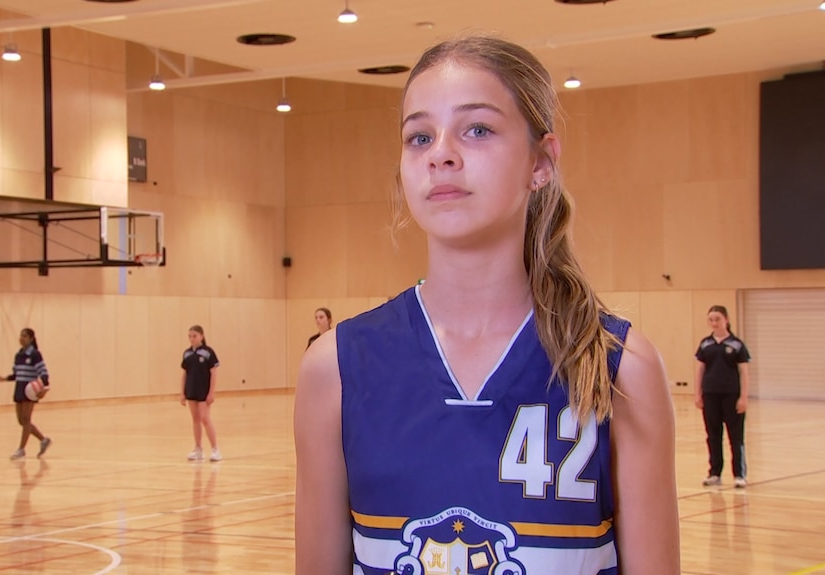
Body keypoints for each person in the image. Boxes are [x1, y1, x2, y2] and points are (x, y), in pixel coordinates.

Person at [294, 34, 680, 574]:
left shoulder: (621, 366)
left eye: (477, 129)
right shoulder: (335, 368)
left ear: (541, 162)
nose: (441, 154)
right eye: (419, 136)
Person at [694, 305, 751, 488]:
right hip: (710, 395)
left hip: (732, 396)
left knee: (736, 436)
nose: (714, 323)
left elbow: (744, 372)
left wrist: (743, 397)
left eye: (717, 319)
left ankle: (739, 474)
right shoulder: (705, 344)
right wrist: (698, 393)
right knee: (713, 435)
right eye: (711, 319)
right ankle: (715, 473)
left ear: (726, 319)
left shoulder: (737, 345)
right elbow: (700, 370)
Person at [0, 328, 52, 461]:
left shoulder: (35, 354)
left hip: (30, 391)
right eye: (21, 335)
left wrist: (44, 387)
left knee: (26, 420)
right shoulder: (18, 355)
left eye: (25, 336)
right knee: (21, 421)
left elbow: (44, 373)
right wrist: (5, 378)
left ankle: (21, 449)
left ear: (31, 339)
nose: (21, 338)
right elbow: (17, 374)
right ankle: (43, 440)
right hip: (19, 389)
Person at [181, 325, 222, 462]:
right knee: (195, 419)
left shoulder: (208, 352)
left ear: (201, 336)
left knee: (205, 418)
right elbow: (184, 374)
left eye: (194, 336)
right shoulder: (187, 354)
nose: (192, 339)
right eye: (190, 336)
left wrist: (211, 392)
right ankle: (198, 449)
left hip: (203, 391)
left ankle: (215, 449)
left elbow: (213, 373)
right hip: (191, 390)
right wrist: (182, 392)